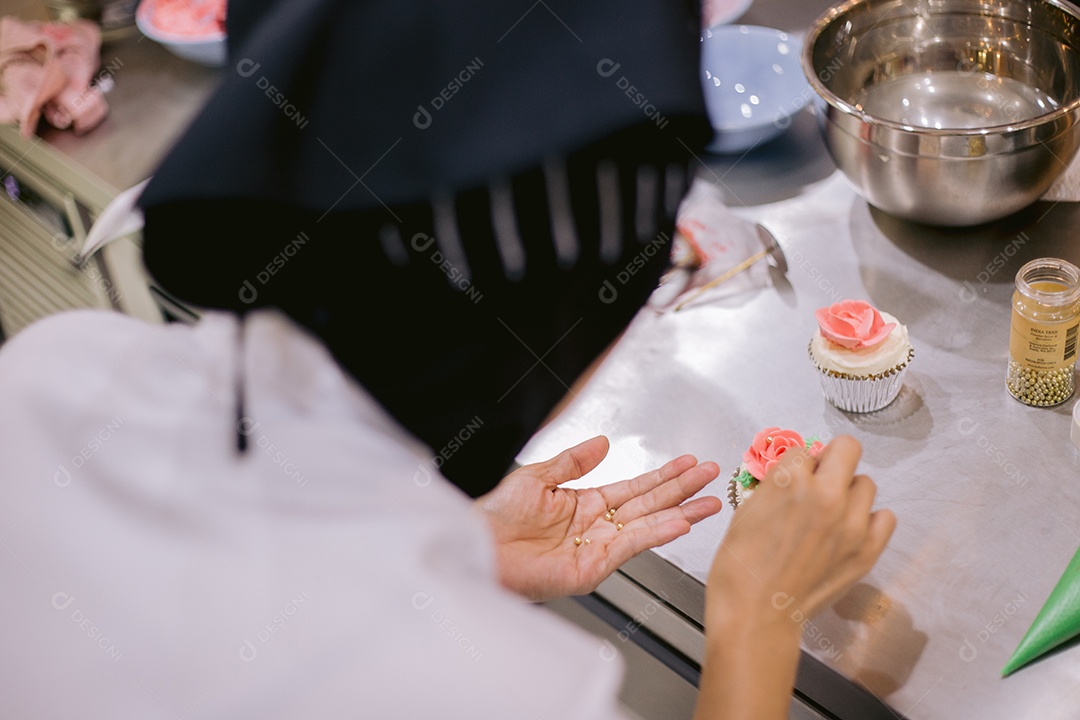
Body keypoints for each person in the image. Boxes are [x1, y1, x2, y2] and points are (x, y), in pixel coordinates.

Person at [0, 1, 896, 718]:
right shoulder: (506, 689)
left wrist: (448, 549)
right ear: (576, 315)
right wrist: (754, 619)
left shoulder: (52, 372)